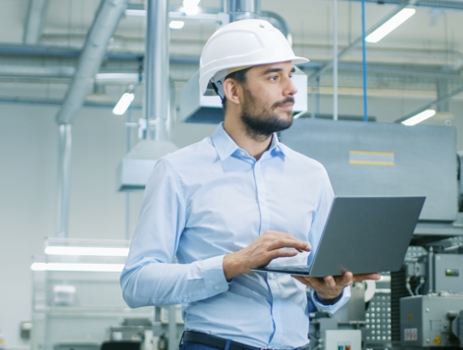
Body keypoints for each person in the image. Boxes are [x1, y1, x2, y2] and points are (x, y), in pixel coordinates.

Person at [120, 19, 380, 350]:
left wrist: (330, 292)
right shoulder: (178, 172)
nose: (291, 89)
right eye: (274, 76)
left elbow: (321, 283)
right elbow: (136, 283)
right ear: (232, 90)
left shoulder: (311, 175)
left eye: (290, 74)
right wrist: (232, 264)